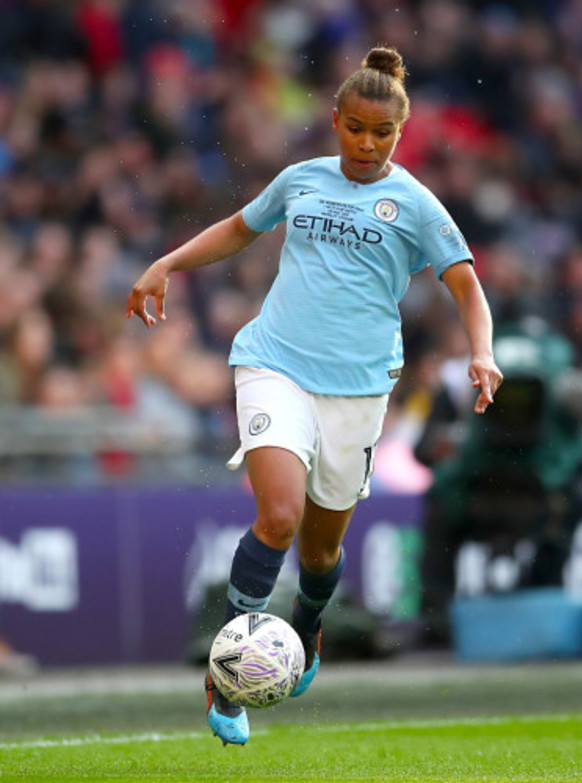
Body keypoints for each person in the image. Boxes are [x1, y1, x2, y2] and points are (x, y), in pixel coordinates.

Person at [127, 46, 503, 747]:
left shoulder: (417, 204)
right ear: (334, 121)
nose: (366, 142)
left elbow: (467, 287)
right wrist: (168, 261)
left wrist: (481, 350)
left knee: (322, 553)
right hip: (275, 364)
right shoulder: (301, 180)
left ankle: (307, 626)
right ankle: (227, 678)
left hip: (358, 393)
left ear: (400, 132)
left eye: (381, 132)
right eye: (354, 127)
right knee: (278, 516)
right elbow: (240, 230)